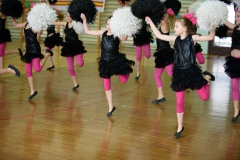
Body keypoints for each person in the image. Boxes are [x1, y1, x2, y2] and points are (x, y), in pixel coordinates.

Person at [145, 14, 215, 138]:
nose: (174, 28)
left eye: (176, 26)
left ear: (185, 28)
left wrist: (213, 24)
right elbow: (160, 35)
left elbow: (211, 36)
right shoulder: (175, 39)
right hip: (179, 73)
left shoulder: (193, 38)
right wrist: (150, 23)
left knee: (204, 97)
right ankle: (179, 126)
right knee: (179, 102)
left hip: (191, 71)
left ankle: (206, 79)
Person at [81, 13, 134, 117]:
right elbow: (87, 31)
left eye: (111, 24)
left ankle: (127, 70)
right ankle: (110, 107)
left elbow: (125, 38)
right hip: (105, 62)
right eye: (107, 24)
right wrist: (84, 19)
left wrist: (125, 28)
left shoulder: (117, 34)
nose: (109, 26)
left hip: (116, 61)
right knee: (106, 86)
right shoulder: (103, 33)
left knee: (123, 80)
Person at [12, 14, 53, 100]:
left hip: (35, 49)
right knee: (28, 71)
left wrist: (41, 25)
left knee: (37, 69)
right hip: (28, 50)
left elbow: (40, 33)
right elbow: (15, 25)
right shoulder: (26, 24)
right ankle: (32, 91)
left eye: (29, 16)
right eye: (27, 16)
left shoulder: (35, 25)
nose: (28, 17)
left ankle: (47, 54)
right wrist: (13, 17)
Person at [52, 12, 87, 91]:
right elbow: (54, 23)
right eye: (67, 16)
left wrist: (83, 18)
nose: (68, 18)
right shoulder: (65, 24)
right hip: (68, 46)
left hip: (76, 45)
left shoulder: (76, 24)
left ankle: (82, 60)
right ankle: (75, 83)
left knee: (80, 64)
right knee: (70, 68)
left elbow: (83, 27)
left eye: (70, 16)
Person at [223, 8, 240, 123]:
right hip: (233, 62)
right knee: (234, 87)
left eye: (238, 16)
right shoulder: (234, 28)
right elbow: (223, 20)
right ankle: (236, 111)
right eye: (236, 16)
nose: (236, 18)